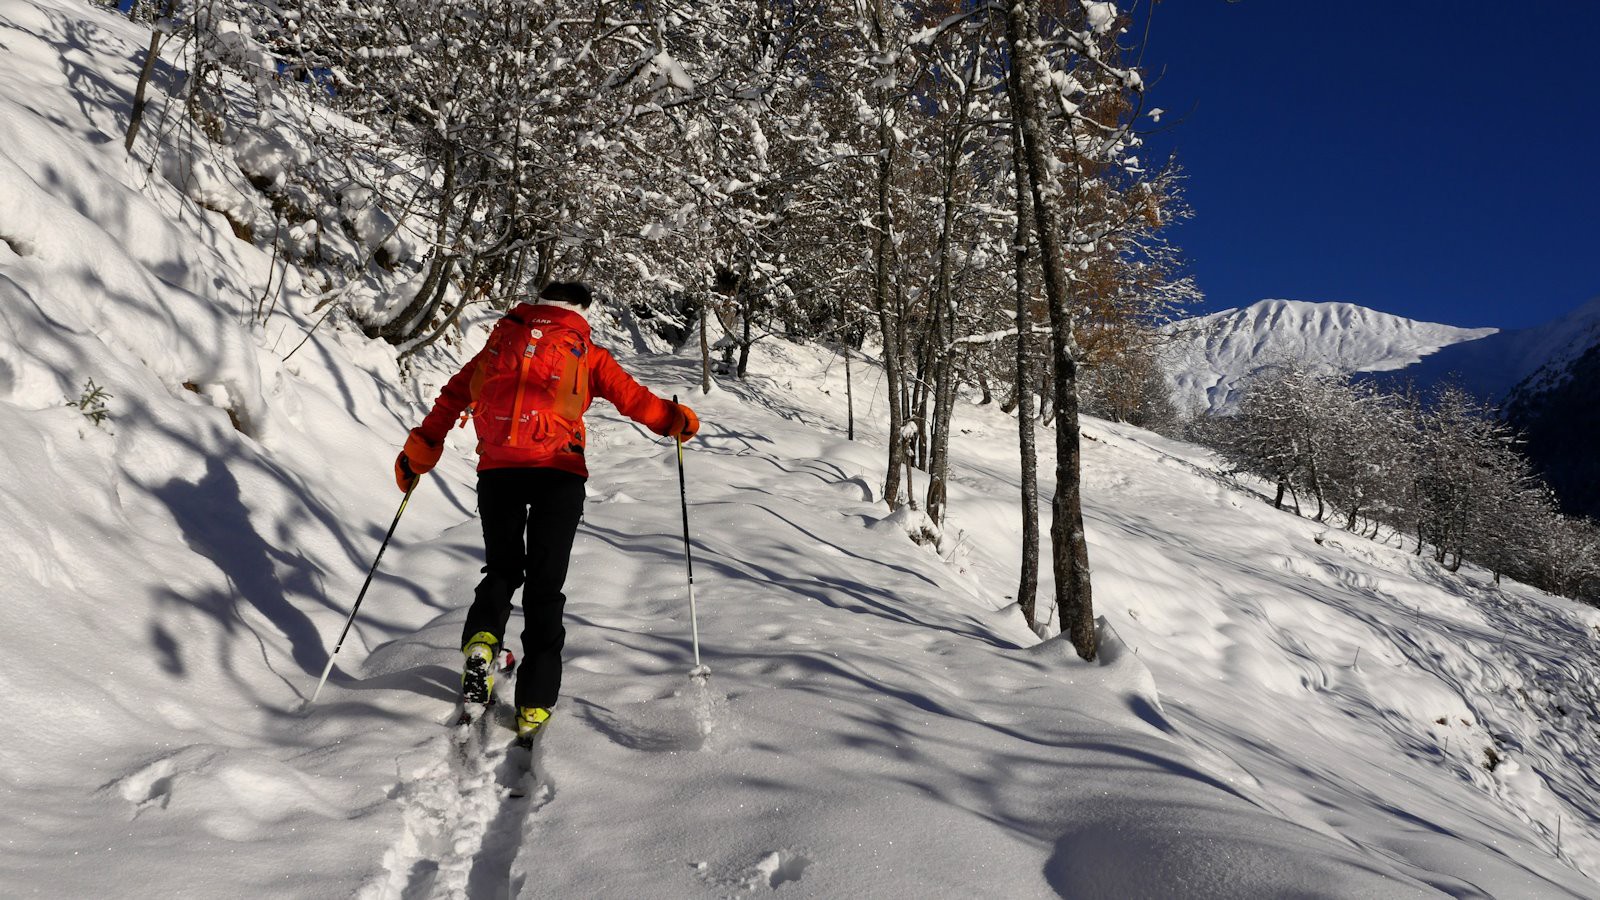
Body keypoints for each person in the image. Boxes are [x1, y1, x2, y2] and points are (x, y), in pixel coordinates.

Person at [394, 281, 699, 740]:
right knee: (545, 585)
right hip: (559, 475)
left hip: (498, 473)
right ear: (581, 310)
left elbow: (454, 395)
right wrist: (678, 421)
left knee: (501, 570)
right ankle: (534, 702)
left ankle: (482, 643)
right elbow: (634, 400)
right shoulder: (586, 352)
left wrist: (420, 452)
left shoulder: (500, 344)